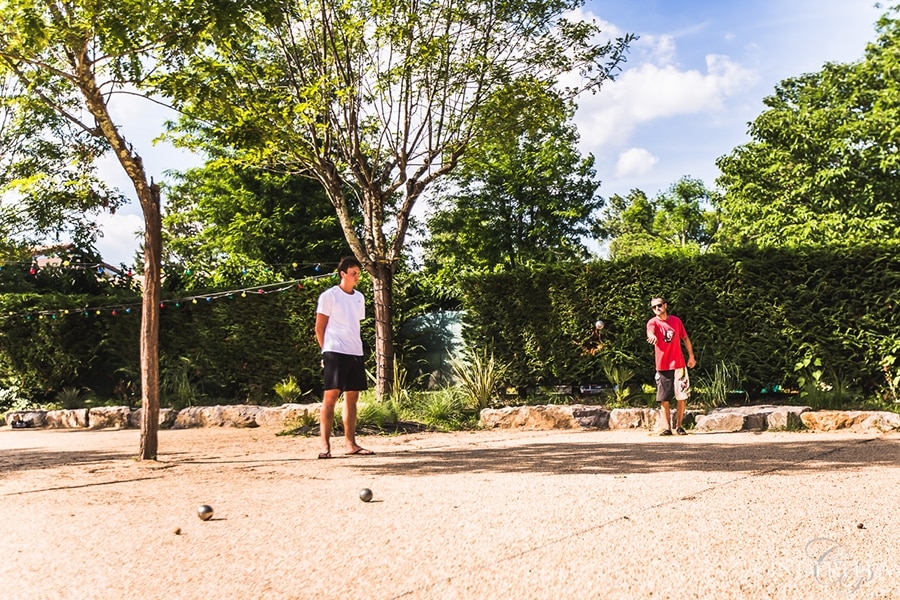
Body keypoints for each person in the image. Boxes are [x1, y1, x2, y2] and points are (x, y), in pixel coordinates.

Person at [314, 256, 374, 458]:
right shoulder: (329, 296)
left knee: (352, 398)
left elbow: (353, 324)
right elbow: (319, 328)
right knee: (330, 397)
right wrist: (326, 352)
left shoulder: (359, 297)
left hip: (355, 351)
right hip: (334, 351)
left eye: (358, 273)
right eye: (353, 273)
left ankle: (351, 444)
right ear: (343, 274)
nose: (357, 276)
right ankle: (325, 446)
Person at [646, 297, 696, 435]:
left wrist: (691, 356)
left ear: (665, 305)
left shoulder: (676, 321)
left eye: (659, 305)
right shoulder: (653, 322)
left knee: (681, 396)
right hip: (662, 366)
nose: (657, 308)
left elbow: (685, 338)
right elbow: (650, 331)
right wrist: (652, 336)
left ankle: (679, 426)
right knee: (664, 398)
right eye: (654, 307)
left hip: (678, 365)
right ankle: (667, 428)